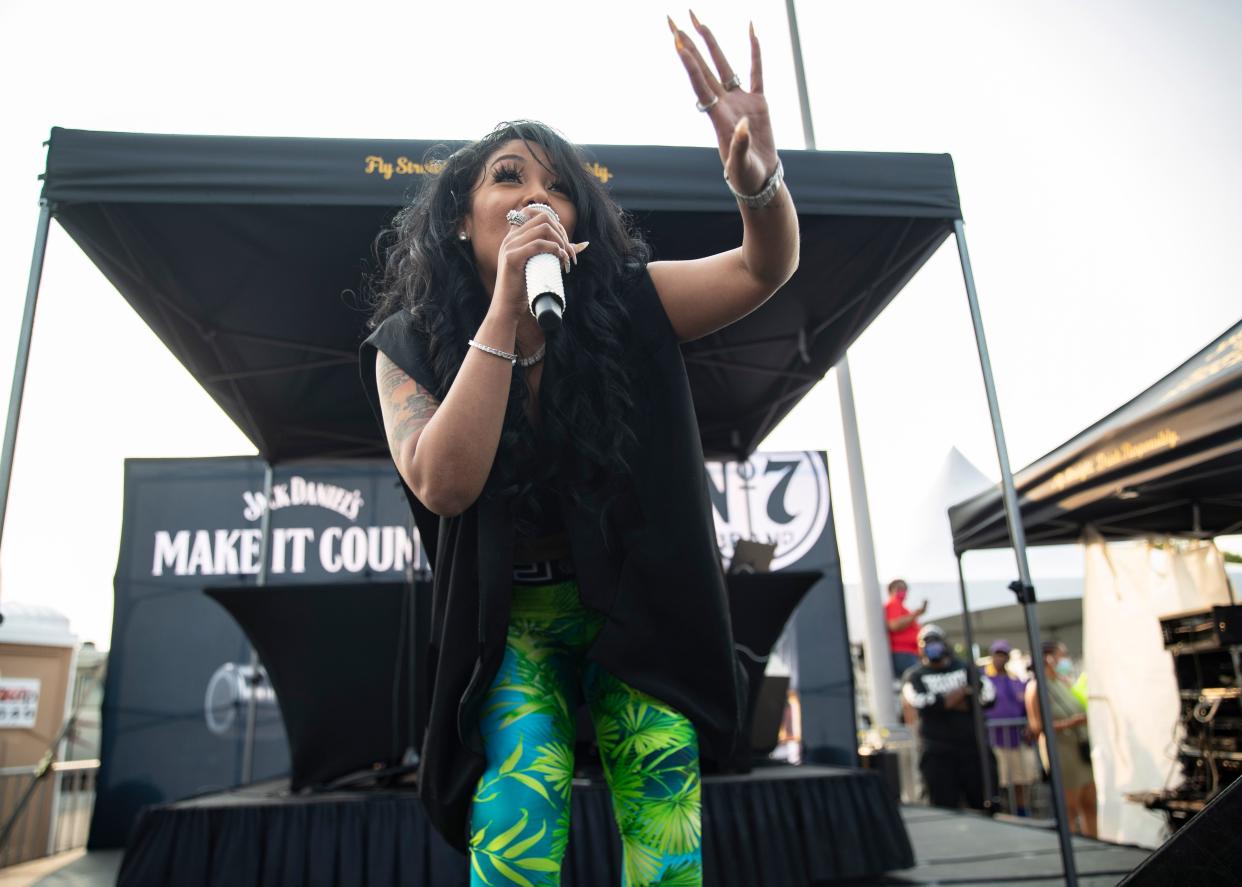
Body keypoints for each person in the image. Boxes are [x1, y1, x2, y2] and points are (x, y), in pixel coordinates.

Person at [358, 15, 799, 886]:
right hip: (513, 623)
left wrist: (757, 181)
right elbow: (443, 484)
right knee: (519, 817)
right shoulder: (407, 345)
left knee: (664, 807)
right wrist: (505, 312)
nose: (535, 196)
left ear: (578, 220)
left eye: (558, 188)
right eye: (508, 177)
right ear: (460, 220)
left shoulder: (628, 304)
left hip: (631, 608)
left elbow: (762, 269)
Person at [902, 624, 996, 810]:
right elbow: (921, 704)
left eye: (935, 641)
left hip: (972, 749)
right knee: (943, 806)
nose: (932, 646)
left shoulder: (964, 667)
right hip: (937, 753)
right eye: (926, 642)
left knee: (982, 802)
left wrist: (946, 702)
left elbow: (988, 697)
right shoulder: (915, 675)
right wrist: (961, 695)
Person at [1026, 641, 1097, 837]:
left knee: (1090, 802)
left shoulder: (1062, 682)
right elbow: (1037, 726)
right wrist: (1070, 723)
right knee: (1070, 807)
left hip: (1079, 748)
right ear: (1048, 658)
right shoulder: (1036, 687)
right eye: (1060, 655)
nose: (1064, 659)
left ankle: (1094, 838)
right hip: (1061, 751)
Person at [984, 640, 1037, 816]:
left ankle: (1022, 813)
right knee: (998, 781)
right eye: (997, 654)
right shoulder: (984, 679)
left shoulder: (1015, 680)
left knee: (1020, 780)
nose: (1000, 658)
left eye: (1003, 654)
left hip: (1017, 739)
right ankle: (1001, 813)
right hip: (995, 740)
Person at [885, 579, 926, 677]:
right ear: (891, 590)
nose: (903, 592)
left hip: (909, 653)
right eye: (900, 588)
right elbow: (894, 625)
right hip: (902, 653)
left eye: (905, 589)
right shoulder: (893, 605)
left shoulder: (902, 608)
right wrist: (916, 614)